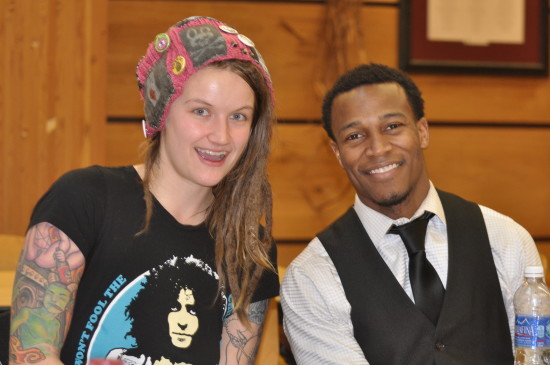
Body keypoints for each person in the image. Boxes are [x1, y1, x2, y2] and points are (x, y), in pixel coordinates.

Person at [9, 16, 279, 365]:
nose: (222, 136)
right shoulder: (84, 199)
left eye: (239, 117)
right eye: (201, 111)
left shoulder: (250, 244)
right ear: (162, 111)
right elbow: (30, 355)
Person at [280, 63, 541, 364]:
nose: (377, 148)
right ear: (337, 153)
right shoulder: (312, 276)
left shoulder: (505, 239)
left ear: (422, 131)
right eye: (354, 136)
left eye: (392, 126)